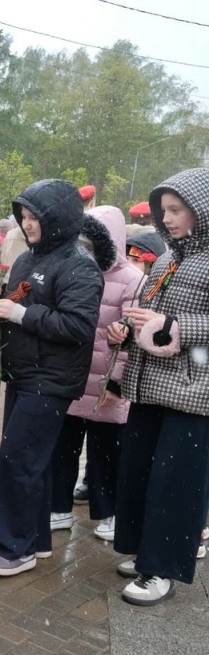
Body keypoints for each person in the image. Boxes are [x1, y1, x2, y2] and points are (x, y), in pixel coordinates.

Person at [0, 179, 103, 576]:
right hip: (23, 372)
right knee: (32, 461)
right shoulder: (27, 258)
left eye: (35, 217)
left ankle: (14, 548)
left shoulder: (80, 266)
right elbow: (17, 294)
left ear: (58, 219)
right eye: (25, 216)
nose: (27, 223)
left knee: (17, 462)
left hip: (50, 379)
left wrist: (21, 315)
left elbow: (79, 326)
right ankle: (34, 539)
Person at [108, 168, 209, 605]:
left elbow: (178, 324)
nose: (166, 219)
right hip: (149, 385)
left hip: (193, 391)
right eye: (163, 210)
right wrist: (128, 330)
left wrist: (174, 325)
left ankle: (162, 569)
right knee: (139, 471)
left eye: (176, 210)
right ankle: (144, 550)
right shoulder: (167, 258)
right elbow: (151, 314)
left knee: (175, 482)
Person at [48, 207, 143, 542]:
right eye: (81, 244)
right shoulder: (72, 271)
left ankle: (109, 512)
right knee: (63, 449)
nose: (85, 252)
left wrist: (116, 382)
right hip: (73, 380)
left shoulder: (133, 280)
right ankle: (58, 508)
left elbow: (132, 338)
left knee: (107, 455)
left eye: (91, 245)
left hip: (107, 384)